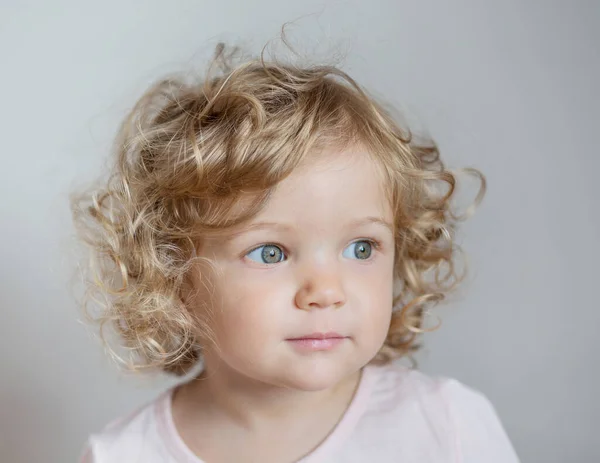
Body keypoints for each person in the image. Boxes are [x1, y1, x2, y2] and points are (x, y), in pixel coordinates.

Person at [73, 42, 519, 462]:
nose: (326, 292)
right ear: (173, 273)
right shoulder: (124, 455)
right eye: (270, 253)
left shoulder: (446, 427)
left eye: (361, 247)